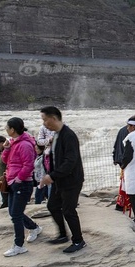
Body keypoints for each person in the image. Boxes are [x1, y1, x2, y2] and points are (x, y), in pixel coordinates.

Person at [39, 106, 86, 254]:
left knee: (68, 210)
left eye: (45, 119)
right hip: (59, 179)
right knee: (52, 205)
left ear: (53, 118)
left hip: (71, 180)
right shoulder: (57, 134)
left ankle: (78, 241)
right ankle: (63, 235)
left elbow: (70, 161)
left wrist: (51, 176)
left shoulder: (68, 135)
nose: (44, 123)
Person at [0, 117, 42, 256]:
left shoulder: (24, 145)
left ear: (13, 129)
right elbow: (6, 160)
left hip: (21, 184)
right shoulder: (13, 143)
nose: (6, 129)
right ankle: (34, 228)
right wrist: (6, 149)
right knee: (13, 213)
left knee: (16, 215)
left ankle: (19, 245)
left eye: (7, 127)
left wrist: (18, 179)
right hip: (14, 182)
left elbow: (28, 165)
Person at [113, 125, 130, 211]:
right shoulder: (132, 132)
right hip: (128, 162)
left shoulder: (121, 130)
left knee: (123, 183)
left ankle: (121, 203)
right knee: (127, 184)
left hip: (122, 160)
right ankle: (125, 204)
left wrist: (115, 158)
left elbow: (116, 145)